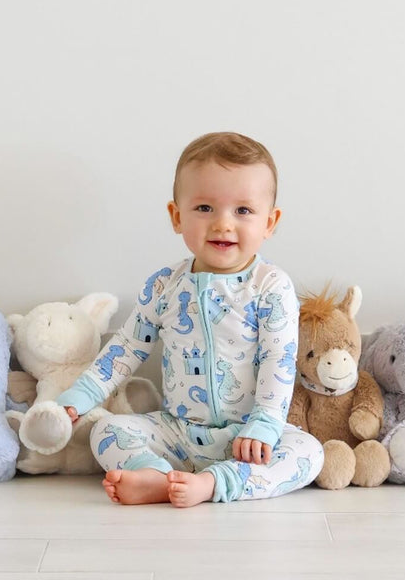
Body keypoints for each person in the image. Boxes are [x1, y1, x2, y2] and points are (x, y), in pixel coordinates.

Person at [57, 131, 324, 506]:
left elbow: (278, 359)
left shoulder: (271, 286)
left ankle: (215, 483)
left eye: (243, 211)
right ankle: (155, 475)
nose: (223, 224)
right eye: (204, 208)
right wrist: (81, 396)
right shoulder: (165, 285)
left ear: (270, 221)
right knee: (106, 430)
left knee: (308, 453)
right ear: (176, 216)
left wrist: (264, 425)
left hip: (248, 438)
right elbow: (127, 346)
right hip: (178, 434)